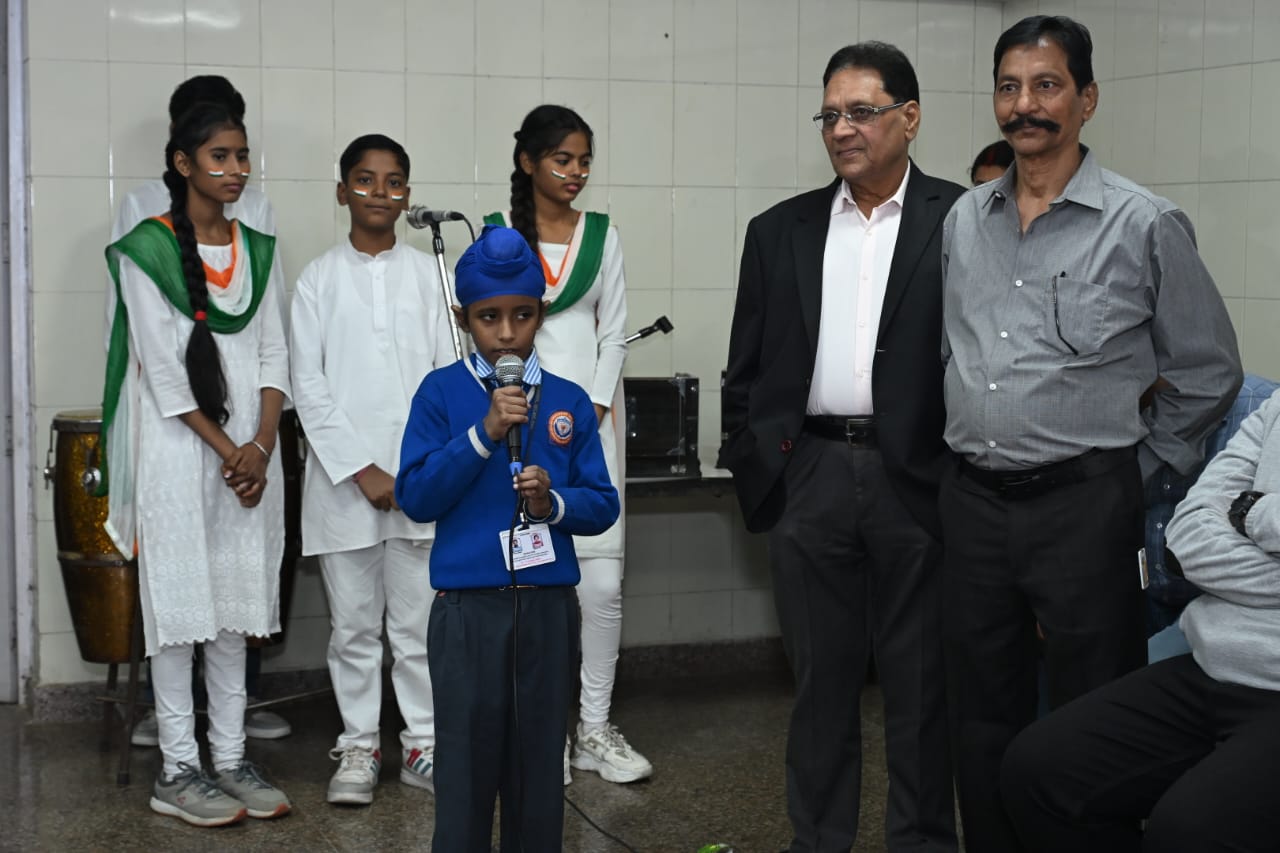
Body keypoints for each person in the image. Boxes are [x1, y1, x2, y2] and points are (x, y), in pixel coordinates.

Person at [938, 15, 1243, 852]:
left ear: (1087, 99)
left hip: (1085, 507)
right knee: (980, 716)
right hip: (972, 506)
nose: (1025, 105)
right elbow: (949, 351)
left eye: (1047, 86)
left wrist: (1133, 473)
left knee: (1091, 722)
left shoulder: (1144, 223)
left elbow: (1208, 370)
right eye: (1009, 87)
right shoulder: (964, 220)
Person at [719, 41, 963, 853]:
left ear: (909, 117)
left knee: (921, 686)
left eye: (861, 111)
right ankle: (818, 839)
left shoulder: (963, 221)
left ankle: (921, 840)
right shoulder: (778, 230)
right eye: (830, 115)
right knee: (820, 685)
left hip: (917, 478)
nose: (842, 129)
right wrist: (760, 466)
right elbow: (745, 368)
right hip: (811, 473)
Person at [395, 224, 620, 851]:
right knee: (465, 773)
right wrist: (483, 434)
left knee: (539, 770)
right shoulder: (441, 393)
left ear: (540, 315)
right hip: (467, 615)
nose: (506, 333)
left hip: (547, 612)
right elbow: (416, 495)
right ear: (462, 318)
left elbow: (603, 503)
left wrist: (553, 503)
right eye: (488, 318)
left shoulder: (567, 399)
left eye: (522, 316)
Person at [101, 101, 292, 826]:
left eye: (242, 156)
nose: (236, 169)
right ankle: (179, 768)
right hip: (181, 454)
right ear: (183, 164)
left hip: (251, 458)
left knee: (235, 612)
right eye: (220, 157)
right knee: (182, 615)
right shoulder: (145, 250)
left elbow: (275, 354)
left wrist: (262, 445)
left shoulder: (260, 249)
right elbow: (163, 374)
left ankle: (232, 758)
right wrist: (230, 450)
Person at [1000, 388, 1280, 852]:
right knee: (1039, 772)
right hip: (1215, 662)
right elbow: (1187, 539)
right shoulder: (1276, 407)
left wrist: (1253, 512)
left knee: (1189, 830)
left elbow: (1235, 519)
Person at [483, 104, 647, 786]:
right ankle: (542, 731)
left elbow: (615, 333)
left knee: (601, 584)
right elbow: (480, 330)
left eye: (584, 161)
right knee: (529, 585)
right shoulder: (496, 235)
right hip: (516, 430)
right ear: (528, 162)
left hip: (588, 428)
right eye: (562, 160)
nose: (575, 172)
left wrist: (592, 410)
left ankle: (594, 728)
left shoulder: (602, 235)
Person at [289, 134, 455, 805]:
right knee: (354, 629)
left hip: (418, 483)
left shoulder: (432, 276)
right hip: (344, 486)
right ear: (342, 192)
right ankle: (358, 745)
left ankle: (423, 744)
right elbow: (307, 386)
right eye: (365, 179)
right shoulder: (317, 280)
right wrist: (363, 470)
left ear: (407, 195)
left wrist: (416, 471)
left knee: (417, 630)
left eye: (393, 182)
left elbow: (448, 380)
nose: (380, 193)